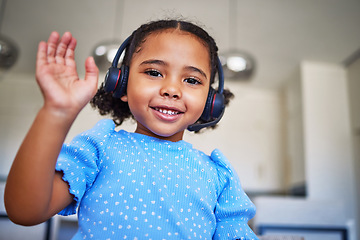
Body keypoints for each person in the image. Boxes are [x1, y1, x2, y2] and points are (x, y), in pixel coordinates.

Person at [4, 19, 259, 240]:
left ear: (210, 101)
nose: (171, 89)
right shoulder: (99, 148)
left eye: (191, 80)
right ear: (121, 83)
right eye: (153, 72)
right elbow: (25, 210)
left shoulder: (218, 177)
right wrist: (56, 112)